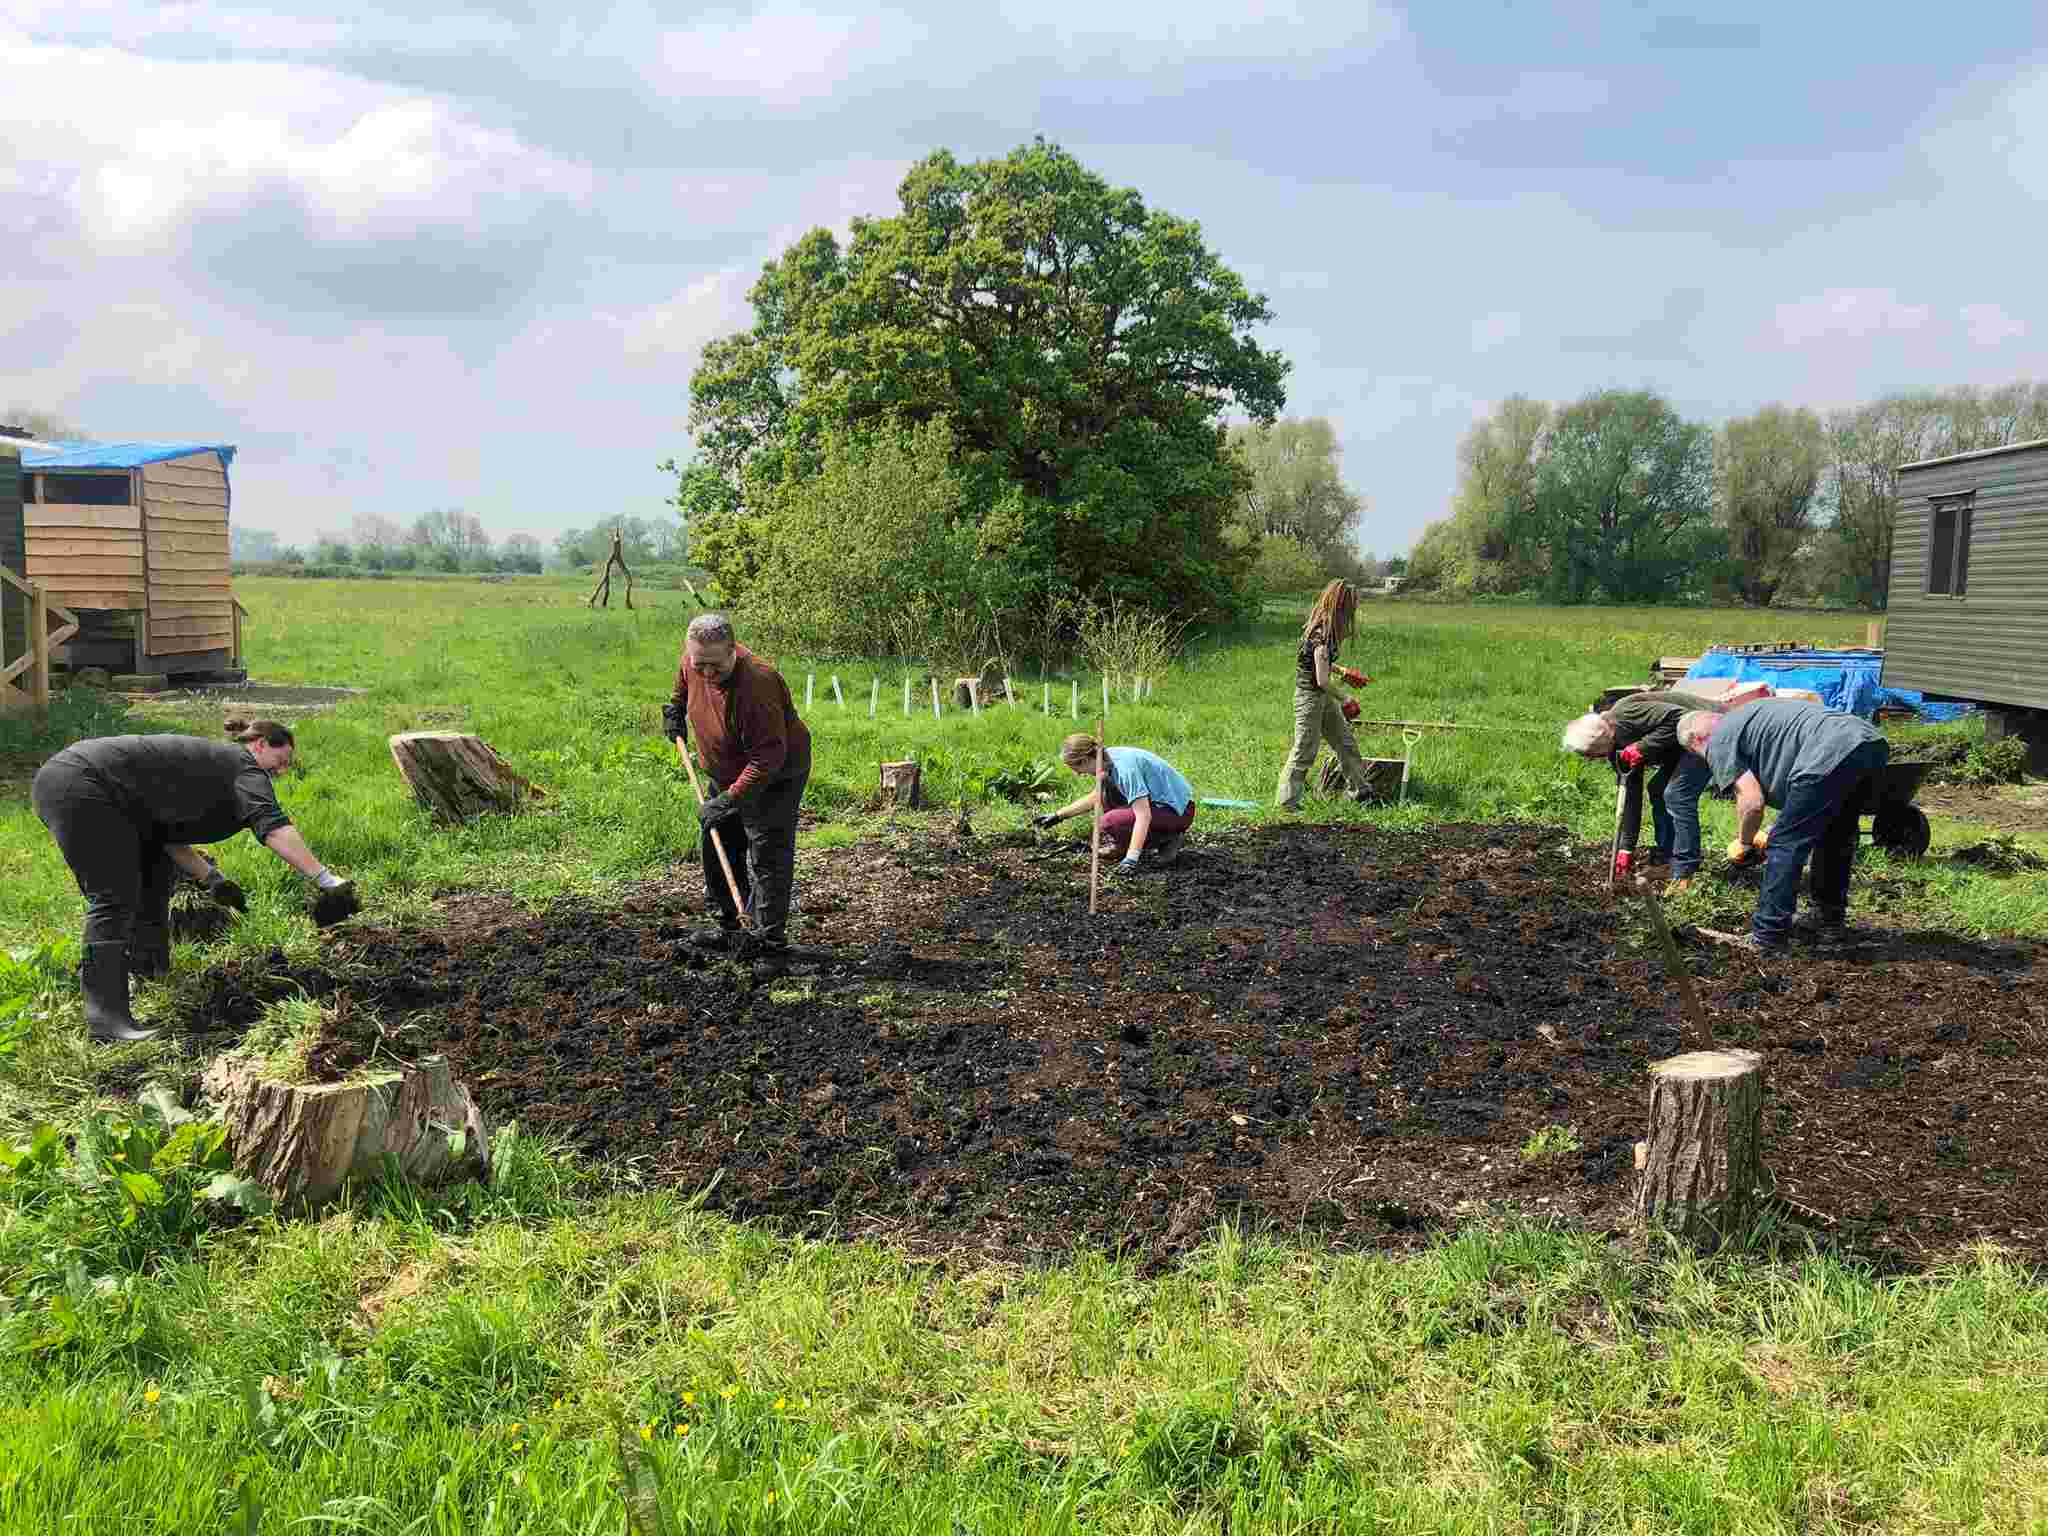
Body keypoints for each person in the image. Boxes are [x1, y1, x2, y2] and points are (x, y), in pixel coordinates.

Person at [31, 718, 358, 1043]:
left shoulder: (211, 767)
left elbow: (166, 836)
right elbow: (271, 825)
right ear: (259, 745)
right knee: (113, 897)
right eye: (281, 760)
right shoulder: (244, 767)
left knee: (154, 874)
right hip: (84, 783)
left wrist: (213, 879)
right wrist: (325, 878)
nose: (282, 770)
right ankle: (105, 1018)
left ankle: (149, 975)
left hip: (82, 783)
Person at [1677, 699, 1889, 951]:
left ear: (1695, 740)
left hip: (1828, 749)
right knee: (1835, 836)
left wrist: (1745, 843)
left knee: (1784, 844)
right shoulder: (1746, 718)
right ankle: (1828, 921)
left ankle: (1768, 936)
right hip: (1868, 742)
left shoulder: (1718, 739)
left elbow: (1752, 802)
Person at [663, 612, 811, 954]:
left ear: (734, 651)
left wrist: (728, 800)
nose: (708, 673)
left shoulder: (757, 685)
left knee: (767, 854)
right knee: (718, 842)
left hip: (774, 777)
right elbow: (685, 681)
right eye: (701, 664)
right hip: (725, 771)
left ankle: (767, 942)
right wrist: (675, 709)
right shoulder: (695, 659)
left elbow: (766, 761)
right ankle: (730, 926)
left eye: (716, 666)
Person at [1561, 692, 1714, 885]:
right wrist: (1626, 848)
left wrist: (1644, 746)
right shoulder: (1613, 745)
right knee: (1658, 789)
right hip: (1683, 742)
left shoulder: (1627, 714)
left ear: (1601, 740)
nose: (1591, 759)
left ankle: (1685, 871)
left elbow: (1679, 717)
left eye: (1590, 754)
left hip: (1708, 727)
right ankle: (1668, 859)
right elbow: (1630, 795)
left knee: (1676, 794)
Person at [1275, 578, 1375, 809]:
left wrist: (1344, 671)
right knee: (1305, 749)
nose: (1355, 610)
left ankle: (1361, 792)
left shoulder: (1329, 631)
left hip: (1321, 696)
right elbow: (1321, 680)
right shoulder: (1320, 635)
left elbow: (1322, 664)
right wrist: (1346, 697)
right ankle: (1287, 805)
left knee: (1345, 741)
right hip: (1309, 698)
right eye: (1352, 605)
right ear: (1341, 606)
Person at [1033, 736, 1195, 876]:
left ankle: (1167, 839)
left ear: (1085, 760)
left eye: (1076, 768)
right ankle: (1125, 845)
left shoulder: (1124, 768)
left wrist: (1131, 859)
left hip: (1178, 812)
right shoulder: (1107, 760)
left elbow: (1143, 815)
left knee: (1110, 821)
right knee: (1106, 787)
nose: (1078, 774)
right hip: (1159, 807)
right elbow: (1098, 797)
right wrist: (1059, 815)